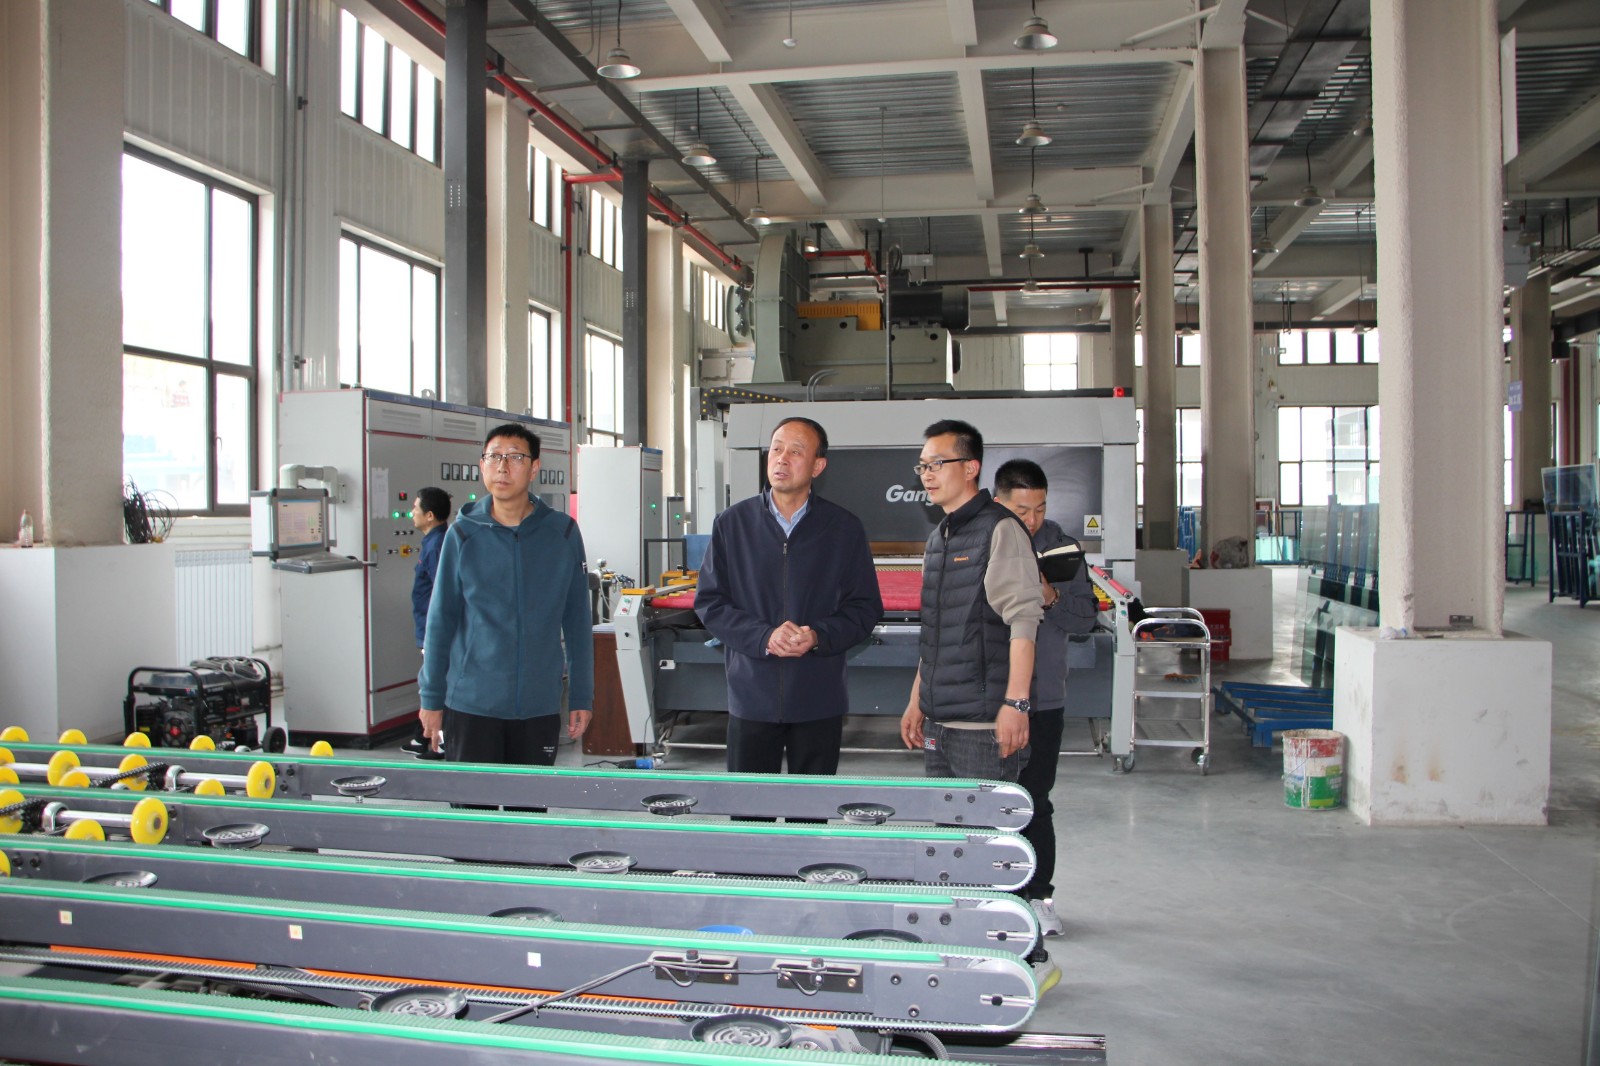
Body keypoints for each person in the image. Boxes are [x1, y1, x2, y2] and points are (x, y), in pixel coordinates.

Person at [897, 421, 1055, 993]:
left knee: (989, 853)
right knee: (950, 849)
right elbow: (936, 630)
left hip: (984, 726)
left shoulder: (1000, 530)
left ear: (970, 468)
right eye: (922, 465)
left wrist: (1016, 703)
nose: (927, 474)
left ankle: (1028, 961)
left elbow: (1023, 621)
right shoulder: (941, 536)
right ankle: (965, 959)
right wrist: (917, 699)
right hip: (942, 721)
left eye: (936, 463)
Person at [696, 417, 882, 776]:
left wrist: (818, 635)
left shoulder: (843, 529)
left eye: (795, 451)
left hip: (818, 697)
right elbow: (710, 602)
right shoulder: (732, 524)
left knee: (811, 806)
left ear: (818, 466)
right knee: (750, 804)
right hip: (751, 695)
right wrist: (764, 636)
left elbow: (864, 607)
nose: (781, 458)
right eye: (776, 449)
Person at [417, 424, 592, 766]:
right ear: (482, 465)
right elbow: (440, 622)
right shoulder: (462, 535)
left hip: (538, 706)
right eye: (494, 457)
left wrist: (582, 695)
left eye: (515, 457)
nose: (502, 467)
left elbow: (577, 621)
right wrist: (431, 698)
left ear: (534, 467)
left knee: (528, 800)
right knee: (474, 798)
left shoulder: (562, 534)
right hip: (471, 704)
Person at [994, 458, 1099, 940]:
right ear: (999, 503)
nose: (1032, 520)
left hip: (1043, 699)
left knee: (1035, 800)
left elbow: (1084, 621)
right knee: (985, 802)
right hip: (987, 698)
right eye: (1022, 510)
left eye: (1039, 508)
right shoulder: (984, 542)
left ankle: (1039, 897)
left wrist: (1049, 594)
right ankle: (990, 895)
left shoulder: (1061, 547)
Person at [403, 486, 452, 759]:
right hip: (427, 628)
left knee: (436, 681)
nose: (411, 512)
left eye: (415, 508)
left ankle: (439, 741)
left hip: (433, 631)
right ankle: (424, 736)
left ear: (430, 515)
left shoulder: (437, 546)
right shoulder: (434, 542)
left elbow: (440, 594)